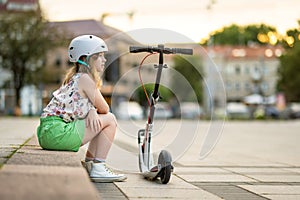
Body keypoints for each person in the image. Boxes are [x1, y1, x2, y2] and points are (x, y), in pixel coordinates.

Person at [37, 35, 126, 182]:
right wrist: (93, 110)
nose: (104, 60)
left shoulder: (75, 77)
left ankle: (91, 165)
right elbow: (104, 108)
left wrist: (91, 110)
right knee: (110, 119)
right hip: (58, 134)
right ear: (88, 58)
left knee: (99, 121)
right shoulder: (86, 79)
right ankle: (98, 166)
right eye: (100, 56)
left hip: (48, 133)